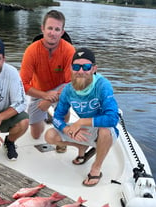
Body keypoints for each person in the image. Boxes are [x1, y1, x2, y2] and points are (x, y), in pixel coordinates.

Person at [44, 47, 119, 186]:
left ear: (93, 68)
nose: (81, 71)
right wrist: (66, 129)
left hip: (102, 129)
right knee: (50, 136)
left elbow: (113, 118)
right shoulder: (68, 90)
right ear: (71, 69)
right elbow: (57, 117)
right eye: (76, 67)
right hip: (84, 128)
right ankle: (81, 147)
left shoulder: (103, 85)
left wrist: (81, 122)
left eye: (86, 67)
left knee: (105, 130)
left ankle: (96, 168)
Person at [20, 10, 75, 150]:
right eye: (50, 28)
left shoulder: (69, 50)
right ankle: (46, 117)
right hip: (38, 91)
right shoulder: (31, 51)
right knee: (36, 135)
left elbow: (72, 83)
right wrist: (44, 96)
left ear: (62, 32)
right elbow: (23, 85)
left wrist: (50, 100)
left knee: (64, 103)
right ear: (42, 29)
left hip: (61, 89)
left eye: (57, 29)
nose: (53, 32)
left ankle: (61, 133)